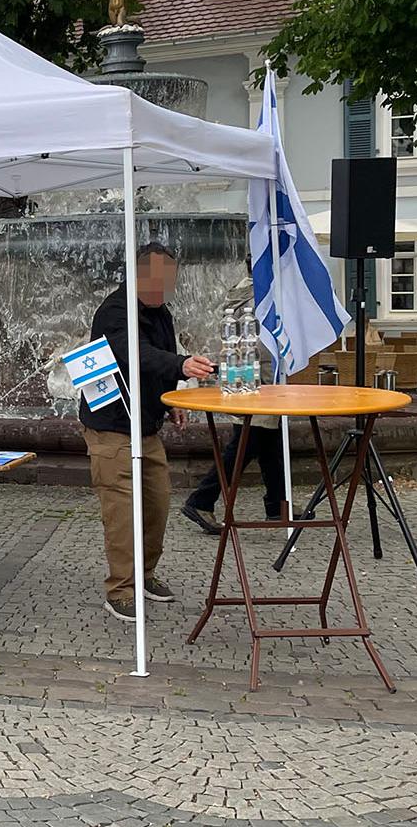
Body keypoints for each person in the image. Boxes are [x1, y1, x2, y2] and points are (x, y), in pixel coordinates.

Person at [81, 243, 214, 623]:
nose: (163, 288)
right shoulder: (115, 311)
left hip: (145, 425)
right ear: (137, 275)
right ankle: (120, 590)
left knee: (157, 502)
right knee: (122, 511)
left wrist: (169, 400)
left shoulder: (161, 311)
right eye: (157, 280)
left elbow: (157, 361)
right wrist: (182, 365)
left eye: (168, 280)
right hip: (111, 426)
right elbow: (134, 355)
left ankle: (146, 574)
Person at [183, 277, 290, 532]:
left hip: (249, 373)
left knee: (269, 441)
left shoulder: (243, 290)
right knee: (246, 442)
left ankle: (277, 503)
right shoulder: (261, 294)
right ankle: (201, 499)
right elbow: (261, 340)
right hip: (257, 376)